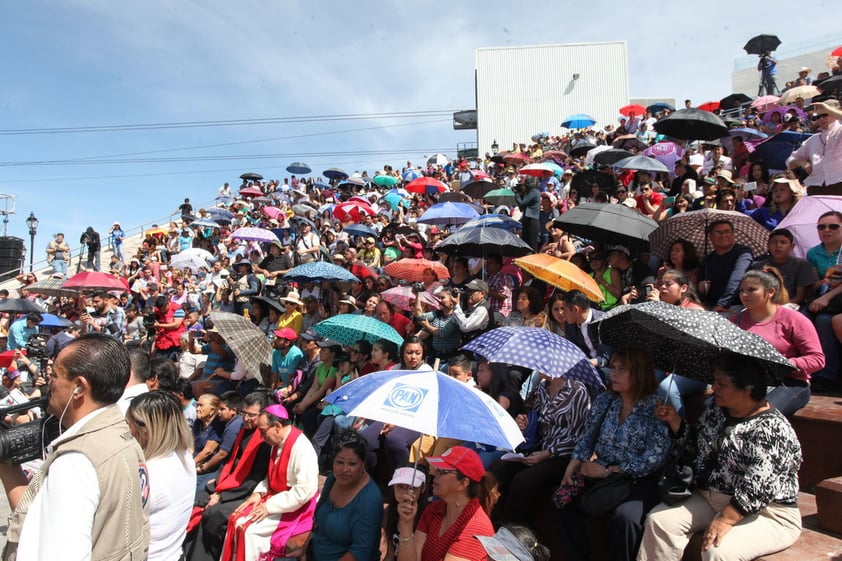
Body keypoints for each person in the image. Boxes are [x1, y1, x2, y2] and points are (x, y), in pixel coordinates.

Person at [638, 352, 803, 561]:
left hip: (766, 512)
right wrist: (674, 421)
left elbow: (759, 486)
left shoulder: (772, 430)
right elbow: (698, 443)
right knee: (659, 522)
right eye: (714, 382)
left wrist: (725, 519)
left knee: (717, 550)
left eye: (722, 384)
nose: (713, 388)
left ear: (747, 390)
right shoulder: (718, 410)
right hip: (712, 497)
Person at [0, 334, 150, 561]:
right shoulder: (122, 435)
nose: (48, 382)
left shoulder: (76, 461)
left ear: (79, 386)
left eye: (54, 376)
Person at [557, 347, 671, 561]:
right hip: (599, 468)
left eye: (622, 369)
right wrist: (573, 463)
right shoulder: (605, 400)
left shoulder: (655, 408)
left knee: (625, 519)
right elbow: (587, 435)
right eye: (613, 368)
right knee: (564, 501)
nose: (614, 374)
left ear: (639, 373)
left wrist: (609, 471)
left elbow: (654, 458)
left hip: (638, 479)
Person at [490, 370, 590, 527]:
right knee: (498, 469)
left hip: (563, 455)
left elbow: (579, 436)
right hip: (539, 449)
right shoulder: (542, 387)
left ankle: (514, 533)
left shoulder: (577, 391)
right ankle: (490, 524)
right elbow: (536, 421)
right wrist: (525, 422)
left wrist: (548, 453)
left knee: (523, 481)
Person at [221, 404, 319, 561]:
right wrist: (258, 493)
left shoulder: (302, 448)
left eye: (262, 430)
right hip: (276, 496)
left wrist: (269, 506)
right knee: (235, 518)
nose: (261, 436)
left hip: (294, 505)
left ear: (277, 426)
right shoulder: (278, 441)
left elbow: (304, 491)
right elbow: (272, 476)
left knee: (249, 530)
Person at [187, 392, 271, 561]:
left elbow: (254, 478)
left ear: (263, 415)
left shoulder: (265, 440)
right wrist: (218, 482)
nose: (246, 418)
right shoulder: (242, 430)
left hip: (246, 490)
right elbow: (230, 461)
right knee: (198, 499)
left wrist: (221, 495)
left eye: (251, 415)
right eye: (244, 413)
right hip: (230, 482)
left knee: (213, 514)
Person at [732, 268, 824, 415]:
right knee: (715, 408)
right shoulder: (736, 320)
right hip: (748, 380)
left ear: (771, 292)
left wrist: (787, 364)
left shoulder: (794, 319)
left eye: (751, 290)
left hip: (790, 381)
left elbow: (817, 359)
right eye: (742, 290)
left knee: (762, 414)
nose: (744, 295)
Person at [126, 391, 196, 561]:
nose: (126, 431)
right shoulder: (184, 457)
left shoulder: (148, 474)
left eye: (128, 425)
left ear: (145, 430)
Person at [395, 446, 497, 561]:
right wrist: (406, 524)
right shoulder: (433, 509)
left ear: (463, 483)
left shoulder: (476, 527)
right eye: (436, 469)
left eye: (443, 471)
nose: (435, 475)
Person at [311, 430, 383, 561]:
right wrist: (304, 550)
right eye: (339, 462)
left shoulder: (369, 499)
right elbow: (317, 528)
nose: (345, 469)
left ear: (363, 464)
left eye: (352, 464)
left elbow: (361, 551)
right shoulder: (332, 480)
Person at [749, 228, 817, 306]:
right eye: (774, 242)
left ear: (792, 246)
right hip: (764, 304)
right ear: (768, 246)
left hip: (792, 304)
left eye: (783, 242)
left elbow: (799, 297)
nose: (778, 246)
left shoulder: (801, 264)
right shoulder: (758, 266)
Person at [697, 220, 753, 312]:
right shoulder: (707, 260)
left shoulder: (743, 253)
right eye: (718, 232)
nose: (723, 235)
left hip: (733, 305)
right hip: (709, 305)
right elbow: (699, 288)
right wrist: (701, 286)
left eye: (727, 231)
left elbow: (737, 278)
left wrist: (723, 304)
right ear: (710, 237)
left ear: (733, 234)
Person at [787, 100, 842, 195]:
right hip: (816, 187)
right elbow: (790, 161)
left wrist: (828, 108)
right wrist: (801, 162)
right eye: (817, 116)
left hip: (839, 183)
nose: (821, 119)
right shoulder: (813, 139)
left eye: (824, 115)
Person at [383, 467, 428, 561]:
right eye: (400, 486)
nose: (405, 492)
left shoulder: (428, 516)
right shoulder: (389, 512)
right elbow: (389, 555)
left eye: (412, 488)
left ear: (423, 488)